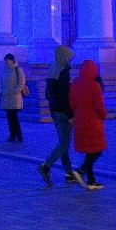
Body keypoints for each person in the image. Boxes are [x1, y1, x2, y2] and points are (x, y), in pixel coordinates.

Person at [38, 44, 77, 186]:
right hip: (63, 112)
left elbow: (49, 94)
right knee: (64, 144)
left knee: (63, 143)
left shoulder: (52, 70)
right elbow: (64, 96)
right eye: (69, 58)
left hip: (54, 111)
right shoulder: (63, 72)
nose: (70, 61)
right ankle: (46, 166)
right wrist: (70, 113)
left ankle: (68, 172)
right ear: (64, 57)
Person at [69, 59, 107, 189]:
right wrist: (103, 115)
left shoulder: (75, 84)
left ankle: (91, 180)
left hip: (80, 120)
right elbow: (99, 105)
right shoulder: (94, 85)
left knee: (89, 151)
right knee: (97, 150)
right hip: (93, 122)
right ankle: (81, 171)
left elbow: (72, 103)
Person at [0, 52, 27, 143]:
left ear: (12, 60)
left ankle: (19, 136)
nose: (6, 61)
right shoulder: (5, 69)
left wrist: (17, 89)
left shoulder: (17, 69)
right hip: (6, 97)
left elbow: (22, 81)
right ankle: (12, 135)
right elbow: (1, 80)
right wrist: (1, 91)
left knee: (14, 118)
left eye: (7, 60)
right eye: (5, 60)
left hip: (15, 97)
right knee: (9, 118)